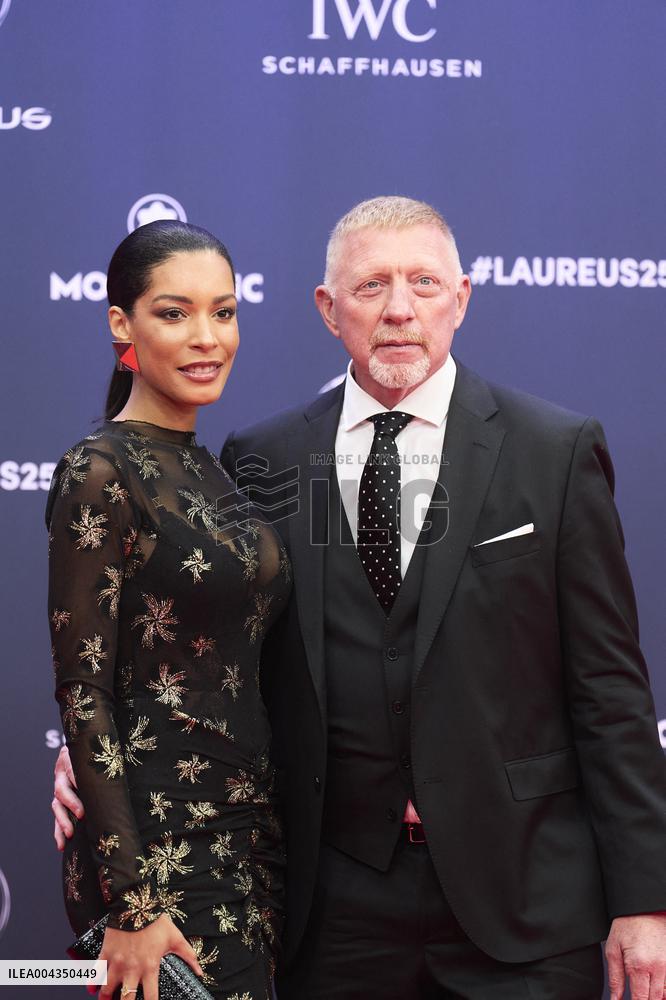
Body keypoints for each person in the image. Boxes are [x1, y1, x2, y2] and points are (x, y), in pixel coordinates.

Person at [54, 197, 666, 1000]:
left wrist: (645, 901)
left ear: (463, 298)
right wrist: (103, 743)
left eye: (423, 282)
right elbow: (224, 646)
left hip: (523, 901)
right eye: (373, 285)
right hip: (330, 909)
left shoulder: (554, 451)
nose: (401, 308)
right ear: (327, 308)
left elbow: (612, 691)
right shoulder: (262, 458)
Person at [47, 220, 289, 1000]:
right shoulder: (100, 470)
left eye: (224, 312)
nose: (206, 337)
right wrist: (134, 902)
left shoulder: (214, 469)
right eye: (174, 312)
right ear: (122, 323)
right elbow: (85, 689)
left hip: (250, 845)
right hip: (158, 856)